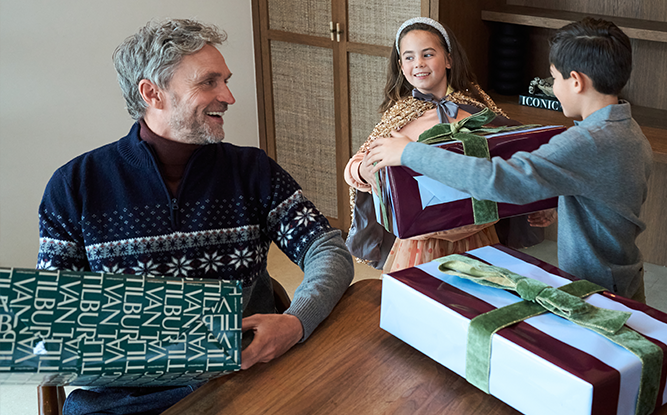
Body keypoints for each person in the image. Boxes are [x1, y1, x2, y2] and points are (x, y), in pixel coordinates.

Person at [37, 18, 354, 414]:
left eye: (225, 81)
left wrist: (296, 321)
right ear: (152, 93)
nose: (229, 96)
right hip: (128, 399)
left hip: (249, 382)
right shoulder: (75, 185)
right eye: (209, 82)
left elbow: (327, 250)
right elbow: (53, 319)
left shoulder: (251, 170)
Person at [367, 17, 652, 301]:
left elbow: (495, 179)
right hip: (626, 274)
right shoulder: (629, 130)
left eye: (554, 78)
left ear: (576, 81)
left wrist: (409, 152)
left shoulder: (584, 142)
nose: (553, 88)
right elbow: (596, 192)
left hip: (599, 291)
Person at [344, 17, 528, 272]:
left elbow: (514, 154)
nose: (419, 63)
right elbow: (355, 164)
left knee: (476, 293)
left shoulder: (476, 110)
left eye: (428, 54)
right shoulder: (399, 118)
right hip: (421, 242)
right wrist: (363, 171)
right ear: (401, 66)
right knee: (420, 293)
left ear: (448, 59)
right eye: (409, 57)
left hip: (476, 234)